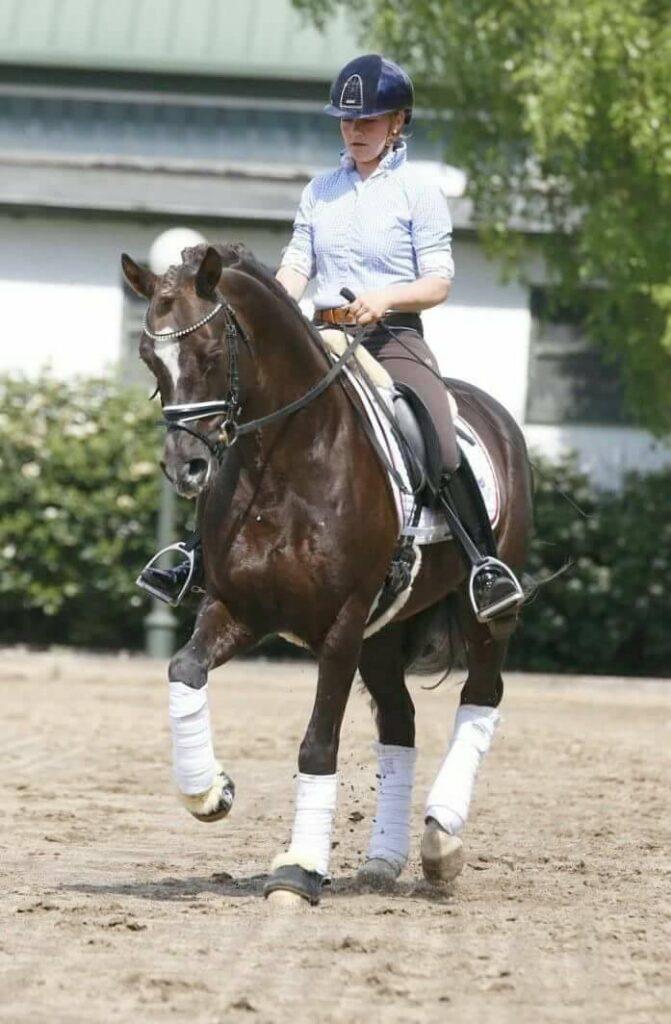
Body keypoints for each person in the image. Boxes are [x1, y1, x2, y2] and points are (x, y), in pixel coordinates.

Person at [141, 54, 523, 623]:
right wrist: (276, 302)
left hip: (392, 337)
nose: (355, 131)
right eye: (347, 121)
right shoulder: (320, 190)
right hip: (323, 338)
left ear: (397, 122)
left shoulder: (420, 192)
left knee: (439, 440)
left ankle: (485, 565)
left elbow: (439, 281)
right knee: (242, 421)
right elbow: (296, 266)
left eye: (368, 121)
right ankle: (195, 556)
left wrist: (386, 298)